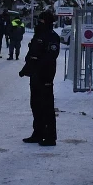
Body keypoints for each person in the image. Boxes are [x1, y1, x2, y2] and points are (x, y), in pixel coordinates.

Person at [19, 10, 61, 146]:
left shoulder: (52, 37)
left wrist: (38, 67)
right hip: (35, 75)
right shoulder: (38, 35)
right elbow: (33, 54)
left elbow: (50, 56)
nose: (39, 23)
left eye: (41, 21)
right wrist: (27, 68)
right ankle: (38, 133)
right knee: (35, 105)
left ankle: (50, 137)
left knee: (47, 107)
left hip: (45, 76)